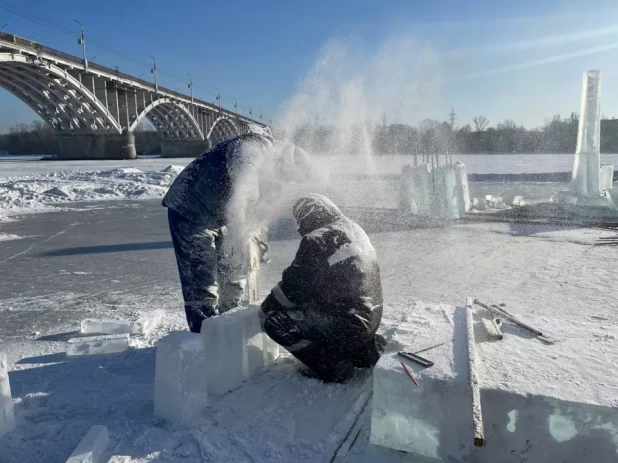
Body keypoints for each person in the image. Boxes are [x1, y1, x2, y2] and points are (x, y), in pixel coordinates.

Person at [163, 128, 309, 333]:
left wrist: (257, 243)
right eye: (286, 175)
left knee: (234, 271)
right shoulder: (254, 147)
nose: (285, 181)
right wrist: (242, 234)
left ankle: (230, 329)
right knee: (202, 276)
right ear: (284, 162)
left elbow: (260, 213)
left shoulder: (274, 179)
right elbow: (244, 189)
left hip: (222, 219)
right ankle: (204, 336)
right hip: (191, 209)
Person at [261, 194, 385, 383]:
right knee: (325, 309)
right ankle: (365, 351)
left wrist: (268, 306)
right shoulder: (355, 229)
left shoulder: (317, 240)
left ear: (309, 216)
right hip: (370, 319)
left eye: (300, 219)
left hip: (348, 324)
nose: (300, 226)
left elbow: (293, 288)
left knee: (276, 323)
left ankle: (333, 366)